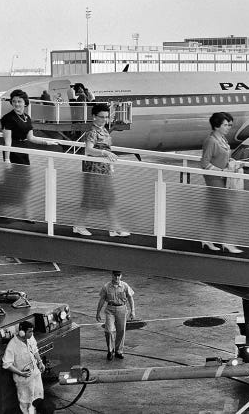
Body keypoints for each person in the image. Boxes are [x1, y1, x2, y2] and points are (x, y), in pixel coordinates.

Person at [73, 103, 129, 237]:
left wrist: (109, 163)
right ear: (94, 117)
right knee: (93, 198)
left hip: (103, 169)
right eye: (101, 117)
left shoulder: (104, 130)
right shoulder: (92, 132)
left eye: (106, 117)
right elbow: (89, 149)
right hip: (94, 169)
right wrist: (104, 153)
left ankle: (113, 227)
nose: (104, 120)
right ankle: (81, 225)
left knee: (106, 198)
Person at [200, 112, 242, 253]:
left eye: (229, 124)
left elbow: (223, 157)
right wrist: (221, 171)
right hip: (214, 179)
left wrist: (231, 163)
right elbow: (204, 162)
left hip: (222, 178)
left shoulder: (222, 139)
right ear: (217, 126)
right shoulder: (211, 141)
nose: (228, 127)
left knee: (213, 211)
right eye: (225, 125)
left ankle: (206, 239)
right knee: (228, 211)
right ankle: (228, 242)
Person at [1, 89, 57, 165]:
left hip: (24, 149)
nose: (16, 104)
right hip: (13, 151)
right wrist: (7, 159)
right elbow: (7, 142)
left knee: (25, 174)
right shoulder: (8, 118)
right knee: (14, 175)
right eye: (14, 101)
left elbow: (31, 138)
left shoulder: (27, 117)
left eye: (19, 101)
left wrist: (47, 142)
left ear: (25, 103)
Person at [2, 321, 45, 414]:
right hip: (23, 379)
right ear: (22, 332)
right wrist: (20, 373)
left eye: (32, 331)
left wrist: (40, 362)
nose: (31, 334)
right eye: (30, 332)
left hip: (35, 373)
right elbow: (6, 364)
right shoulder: (13, 345)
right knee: (26, 402)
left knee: (39, 397)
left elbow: (34, 349)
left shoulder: (30, 338)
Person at [96, 270, 136, 361]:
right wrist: (98, 312)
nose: (117, 277)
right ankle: (110, 350)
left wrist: (132, 311)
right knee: (109, 330)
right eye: (115, 275)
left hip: (122, 309)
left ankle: (118, 351)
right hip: (110, 310)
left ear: (121, 276)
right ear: (112, 276)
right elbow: (102, 299)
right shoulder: (106, 287)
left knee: (121, 331)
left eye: (119, 275)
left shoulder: (125, 286)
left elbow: (130, 298)